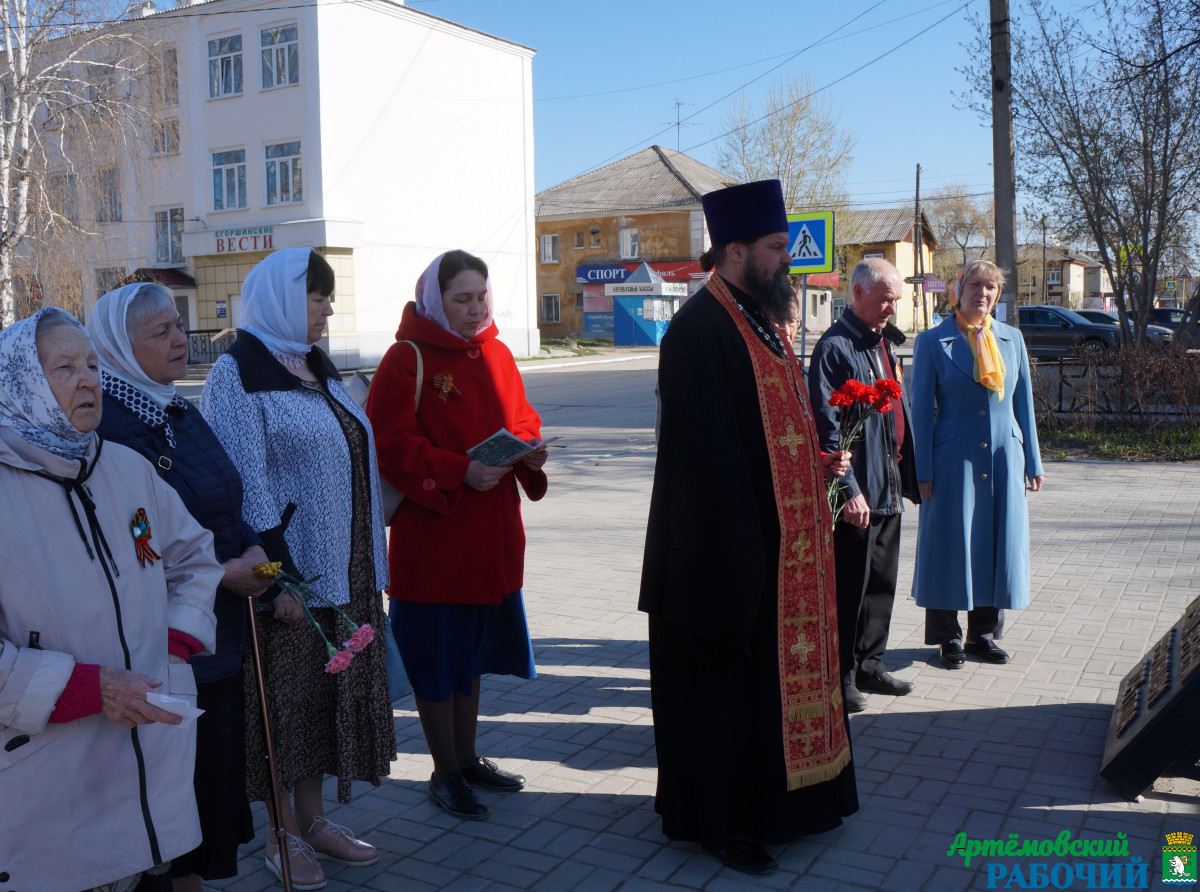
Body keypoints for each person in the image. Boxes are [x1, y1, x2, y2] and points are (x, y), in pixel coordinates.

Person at [639, 180, 858, 877]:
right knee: (725, 695)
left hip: (778, 545)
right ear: (735, 251)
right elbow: (703, 468)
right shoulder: (699, 331)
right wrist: (753, 549)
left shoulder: (758, 317)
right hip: (722, 559)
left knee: (765, 693)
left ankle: (792, 805)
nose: (783, 261)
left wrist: (819, 462)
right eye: (772, 249)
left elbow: (773, 433)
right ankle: (724, 825)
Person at [0, 308, 220, 892]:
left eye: (93, 364)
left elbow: (193, 556)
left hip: (147, 758)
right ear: (19, 381)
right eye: (65, 367)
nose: (89, 380)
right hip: (47, 779)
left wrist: (171, 645)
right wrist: (83, 688)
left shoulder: (125, 468)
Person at [201, 248, 394, 889]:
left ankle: (313, 820)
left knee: (321, 701)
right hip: (293, 579)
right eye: (318, 297)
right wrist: (277, 581)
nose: (329, 309)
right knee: (282, 708)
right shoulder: (238, 371)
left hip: (347, 567)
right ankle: (281, 831)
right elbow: (240, 487)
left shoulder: (314, 364)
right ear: (283, 299)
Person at [88, 283, 273, 890]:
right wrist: (226, 572)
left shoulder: (173, 405)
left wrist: (254, 547)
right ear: (121, 346)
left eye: (177, 324)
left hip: (218, 630)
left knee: (211, 777)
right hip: (169, 641)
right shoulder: (110, 428)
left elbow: (221, 491)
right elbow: (135, 543)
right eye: (161, 332)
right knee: (177, 787)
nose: (179, 339)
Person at [367, 250, 546, 822]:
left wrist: (529, 446)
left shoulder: (496, 351)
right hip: (436, 538)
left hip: (492, 538)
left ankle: (467, 760)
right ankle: (444, 773)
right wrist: (457, 469)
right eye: (461, 298)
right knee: (437, 661)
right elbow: (389, 442)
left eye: (481, 296)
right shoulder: (407, 357)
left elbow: (522, 418)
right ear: (434, 300)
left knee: (470, 658)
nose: (475, 309)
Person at [909, 260, 1044, 669]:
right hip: (952, 460)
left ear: (996, 295)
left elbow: (1024, 404)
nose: (981, 293)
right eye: (974, 285)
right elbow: (920, 411)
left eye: (989, 287)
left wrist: (1033, 461)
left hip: (1005, 456)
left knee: (995, 543)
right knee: (950, 544)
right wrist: (923, 472)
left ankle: (982, 636)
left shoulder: (1012, 338)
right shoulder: (933, 341)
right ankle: (947, 637)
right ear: (958, 289)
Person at [808, 258, 921, 713]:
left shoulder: (883, 343)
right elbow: (826, 427)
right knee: (850, 588)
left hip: (888, 487)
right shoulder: (835, 348)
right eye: (886, 298)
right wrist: (849, 488)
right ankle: (842, 676)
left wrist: (912, 476)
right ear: (857, 293)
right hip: (857, 494)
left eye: (896, 298)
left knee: (881, 584)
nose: (893, 306)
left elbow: (898, 415)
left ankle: (872, 663)